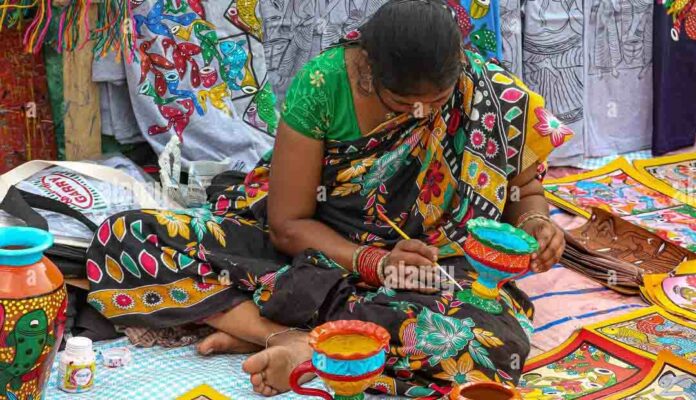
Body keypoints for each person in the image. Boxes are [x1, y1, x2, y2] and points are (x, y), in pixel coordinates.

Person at [85, 0, 571, 397]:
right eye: (404, 105)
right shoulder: (323, 86)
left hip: (428, 271)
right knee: (125, 238)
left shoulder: (487, 92)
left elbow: (524, 192)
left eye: (437, 103)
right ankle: (284, 338)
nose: (422, 116)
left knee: (488, 344)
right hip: (313, 249)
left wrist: (536, 224)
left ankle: (300, 339)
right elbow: (288, 224)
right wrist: (374, 262)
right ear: (367, 70)